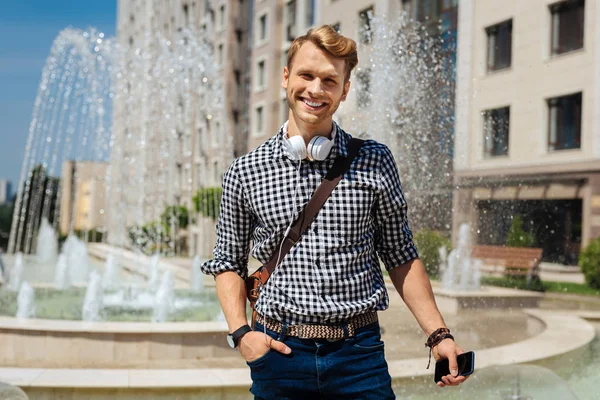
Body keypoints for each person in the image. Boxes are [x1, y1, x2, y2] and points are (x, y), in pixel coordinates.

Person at [201, 25, 468, 399]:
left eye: (329, 80)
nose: (315, 89)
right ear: (285, 77)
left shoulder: (375, 160)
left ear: (344, 89)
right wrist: (242, 334)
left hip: (359, 355)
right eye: (306, 75)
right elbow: (227, 262)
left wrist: (439, 334)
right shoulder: (244, 171)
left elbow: (401, 255)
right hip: (279, 356)